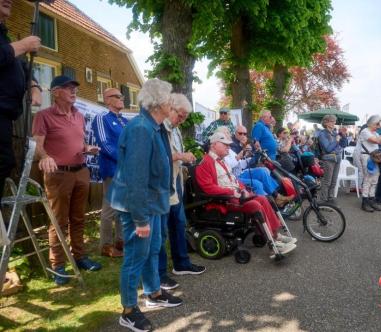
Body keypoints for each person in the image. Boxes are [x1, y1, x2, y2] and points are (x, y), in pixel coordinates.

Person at [108, 79, 182, 332]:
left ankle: (153, 293)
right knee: (135, 257)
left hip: (153, 203)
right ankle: (128, 310)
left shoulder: (155, 126)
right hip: (138, 206)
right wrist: (140, 219)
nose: (172, 104)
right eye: (169, 99)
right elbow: (135, 178)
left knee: (152, 250)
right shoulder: (141, 128)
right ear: (158, 103)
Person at [32, 76, 102, 285]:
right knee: (58, 221)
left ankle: (80, 257)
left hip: (81, 171)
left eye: (75, 88)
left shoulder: (79, 116)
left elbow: (78, 144)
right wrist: (44, 157)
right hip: (58, 175)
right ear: (55, 92)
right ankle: (58, 265)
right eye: (68, 88)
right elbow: (37, 145)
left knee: (79, 218)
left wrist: (87, 149)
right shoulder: (44, 116)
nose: (74, 91)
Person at [195, 132, 297, 254]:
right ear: (214, 145)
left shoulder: (221, 161)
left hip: (235, 196)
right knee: (255, 205)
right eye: (225, 145)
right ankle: (273, 243)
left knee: (264, 198)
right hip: (224, 201)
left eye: (229, 145)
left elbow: (234, 180)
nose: (229, 147)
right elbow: (208, 188)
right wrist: (233, 191)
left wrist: (243, 189)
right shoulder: (205, 163)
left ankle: (275, 234)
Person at [158, 93, 206, 292]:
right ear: (170, 109)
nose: (182, 120)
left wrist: (182, 158)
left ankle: (181, 263)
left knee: (178, 222)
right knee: (160, 231)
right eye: (181, 115)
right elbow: (158, 156)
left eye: (185, 117)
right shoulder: (158, 128)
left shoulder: (174, 129)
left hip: (175, 179)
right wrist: (180, 155)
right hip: (161, 183)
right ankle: (159, 275)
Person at [0, 0, 41, 205]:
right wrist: (23, 45)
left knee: (6, 163)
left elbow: (23, 68)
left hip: (7, 118)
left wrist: (33, 85)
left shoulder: (4, 38)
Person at [91, 88, 128, 258]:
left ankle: (120, 241)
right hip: (113, 169)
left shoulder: (125, 121)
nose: (122, 98)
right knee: (110, 209)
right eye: (118, 96)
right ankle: (105, 245)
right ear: (107, 100)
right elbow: (104, 144)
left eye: (122, 96)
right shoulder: (102, 118)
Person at [354, 115, 381, 212]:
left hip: (374, 158)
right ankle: (365, 202)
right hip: (366, 157)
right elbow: (377, 141)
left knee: (375, 178)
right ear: (371, 123)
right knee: (368, 179)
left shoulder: (374, 132)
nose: (378, 126)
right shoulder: (365, 131)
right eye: (377, 124)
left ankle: (372, 200)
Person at [317, 115, 341, 203]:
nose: (334, 123)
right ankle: (323, 201)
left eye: (335, 121)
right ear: (326, 122)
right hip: (328, 159)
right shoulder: (322, 134)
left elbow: (341, 146)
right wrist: (336, 141)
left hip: (337, 159)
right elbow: (327, 149)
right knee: (327, 181)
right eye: (332, 121)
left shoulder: (334, 133)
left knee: (334, 181)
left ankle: (330, 198)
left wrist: (343, 137)